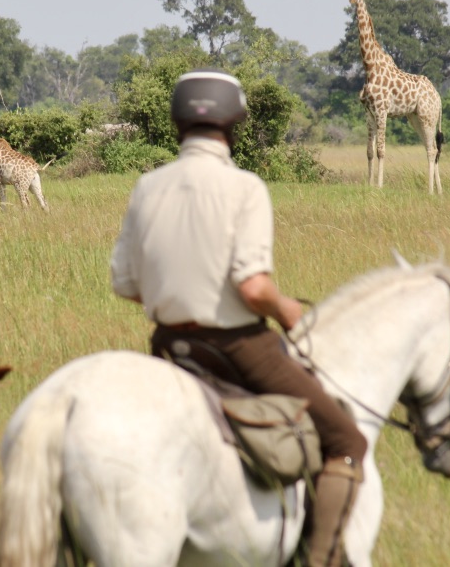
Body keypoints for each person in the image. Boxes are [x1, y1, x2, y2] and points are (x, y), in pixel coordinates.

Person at [109, 68, 368, 567]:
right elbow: (252, 287)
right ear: (234, 123)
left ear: (177, 121)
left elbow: (125, 284)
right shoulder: (245, 187)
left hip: (167, 347)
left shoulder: (148, 186)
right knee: (345, 439)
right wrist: (289, 309)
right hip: (238, 351)